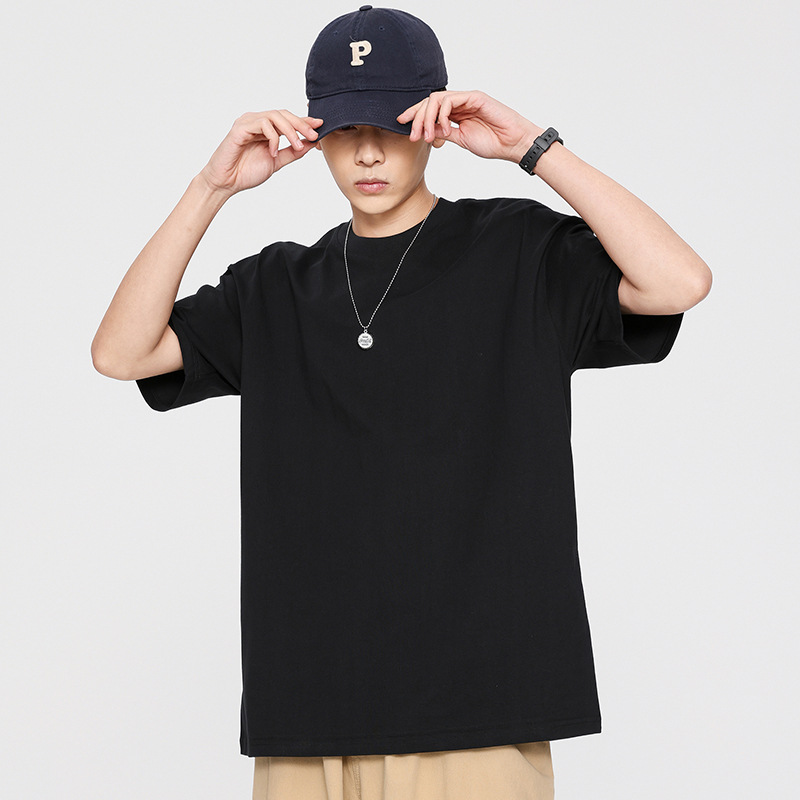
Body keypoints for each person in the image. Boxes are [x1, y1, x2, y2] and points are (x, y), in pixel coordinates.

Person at [91, 6, 711, 799]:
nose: (369, 152)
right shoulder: (276, 286)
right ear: (314, 136)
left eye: (391, 125)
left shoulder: (518, 250)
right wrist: (210, 188)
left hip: (476, 712)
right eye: (346, 130)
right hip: (309, 714)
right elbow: (122, 354)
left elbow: (678, 282)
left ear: (434, 125)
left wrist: (533, 147)